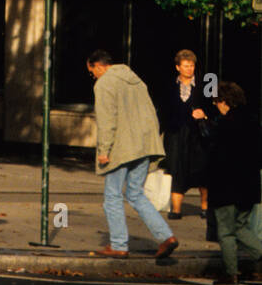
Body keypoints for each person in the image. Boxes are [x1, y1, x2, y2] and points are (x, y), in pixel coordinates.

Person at [87, 50, 178, 259]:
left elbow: (107, 119)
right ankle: (166, 236)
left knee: (112, 196)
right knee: (135, 193)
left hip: (121, 147)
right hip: (144, 145)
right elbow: (151, 113)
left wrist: (104, 150)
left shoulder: (104, 84)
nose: (93, 77)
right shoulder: (136, 80)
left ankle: (119, 244)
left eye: (92, 72)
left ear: (99, 66)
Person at [201, 81, 262, 285]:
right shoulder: (253, 122)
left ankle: (231, 273)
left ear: (224, 101)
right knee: (242, 227)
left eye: (217, 101)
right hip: (249, 185)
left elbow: (215, 154)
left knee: (226, 231)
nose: (216, 105)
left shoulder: (224, 125)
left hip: (226, 186)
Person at [160, 49, 210, 221]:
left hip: (197, 135)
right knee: (177, 168)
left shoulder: (206, 83)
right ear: (178, 67)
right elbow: (163, 110)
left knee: (202, 170)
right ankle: (176, 209)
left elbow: (216, 106)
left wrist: (205, 114)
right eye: (186, 66)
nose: (190, 69)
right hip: (176, 134)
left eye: (192, 66)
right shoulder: (168, 85)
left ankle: (205, 208)